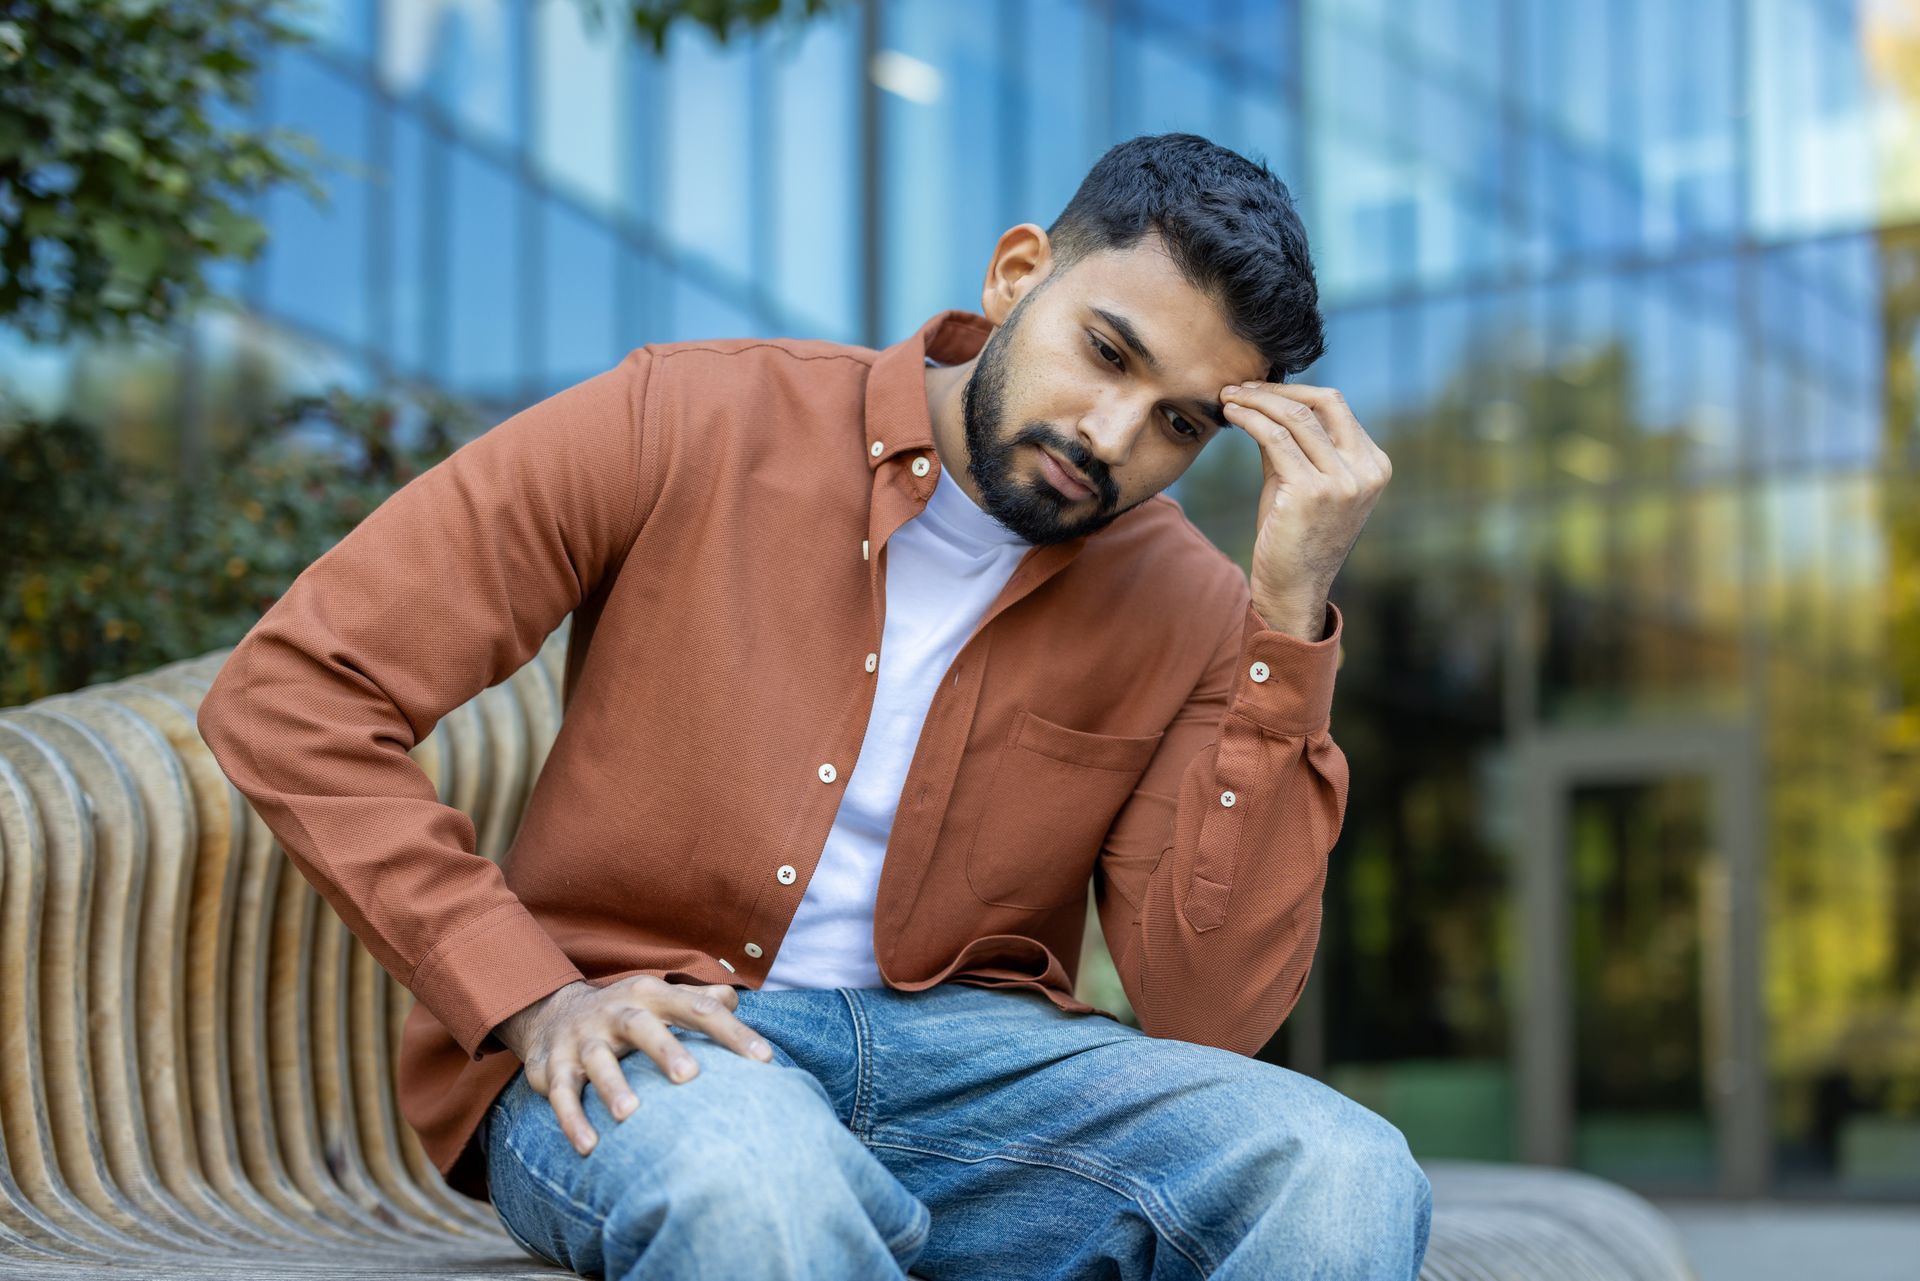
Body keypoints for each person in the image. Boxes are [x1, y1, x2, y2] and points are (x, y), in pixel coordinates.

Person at [194, 132, 1428, 1279]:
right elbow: (296, 690)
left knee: (1341, 1170)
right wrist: (530, 992)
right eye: (1107, 353)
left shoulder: (1195, 608)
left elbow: (1206, 1013)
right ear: (1016, 275)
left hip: (979, 1085)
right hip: (656, 1044)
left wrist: (1286, 622)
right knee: (758, 1181)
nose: (1112, 437)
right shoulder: (690, 417)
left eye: (1180, 423)